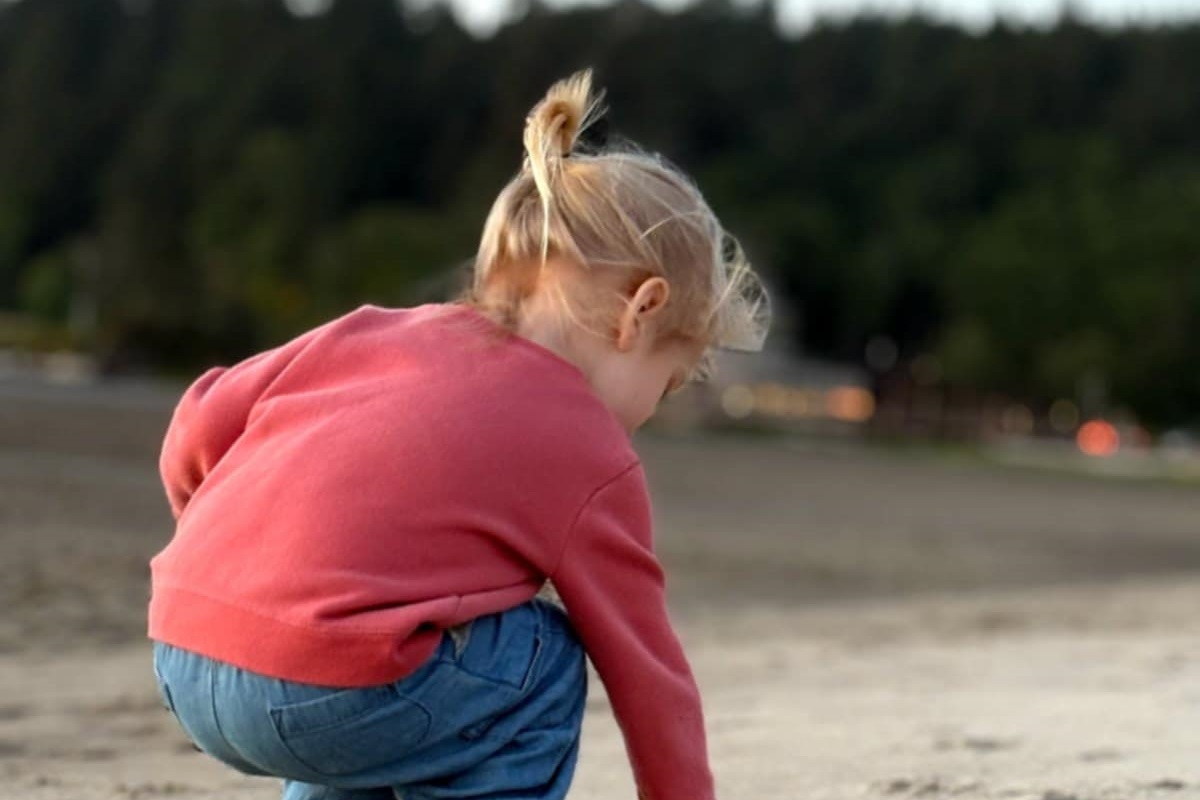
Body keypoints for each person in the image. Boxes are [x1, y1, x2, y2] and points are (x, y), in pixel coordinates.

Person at [148, 69, 769, 800]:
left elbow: (198, 418)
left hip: (182, 650)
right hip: (325, 696)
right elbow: (646, 667)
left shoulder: (373, 332)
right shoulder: (585, 446)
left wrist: (232, 559)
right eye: (666, 383)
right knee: (542, 659)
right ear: (641, 311)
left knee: (389, 645)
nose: (650, 413)